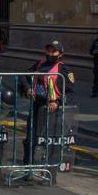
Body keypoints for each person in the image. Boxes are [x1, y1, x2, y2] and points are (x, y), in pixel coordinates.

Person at [19, 40, 74, 170]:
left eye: (53, 51)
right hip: (37, 105)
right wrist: (27, 88)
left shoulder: (64, 69)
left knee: (51, 140)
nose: (50, 53)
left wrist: (58, 102)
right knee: (30, 138)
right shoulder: (39, 64)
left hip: (53, 109)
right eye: (48, 50)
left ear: (60, 54)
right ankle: (28, 167)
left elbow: (70, 93)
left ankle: (50, 170)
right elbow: (23, 76)